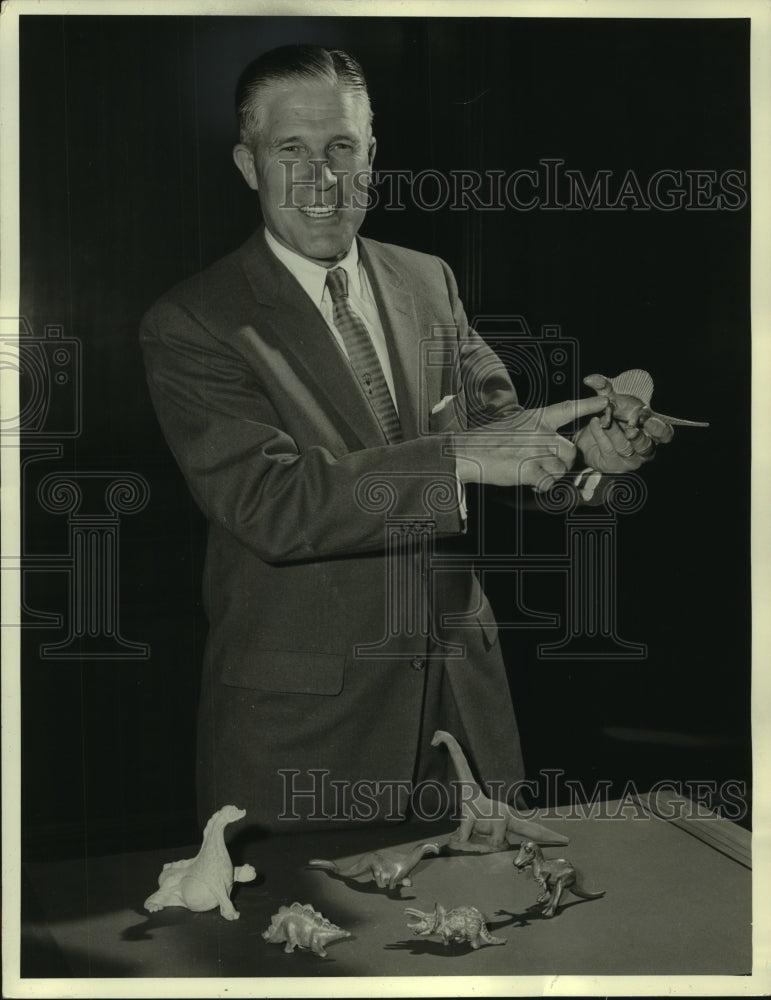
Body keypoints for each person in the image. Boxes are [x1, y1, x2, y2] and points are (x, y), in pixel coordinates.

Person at [139, 44, 666, 840]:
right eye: (292, 151)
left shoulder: (428, 280)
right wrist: (459, 458)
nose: (323, 179)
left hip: (465, 724)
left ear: (373, 156)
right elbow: (271, 503)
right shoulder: (192, 322)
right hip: (309, 742)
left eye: (342, 147)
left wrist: (588, 455)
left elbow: (505, 439)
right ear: (248, 165)